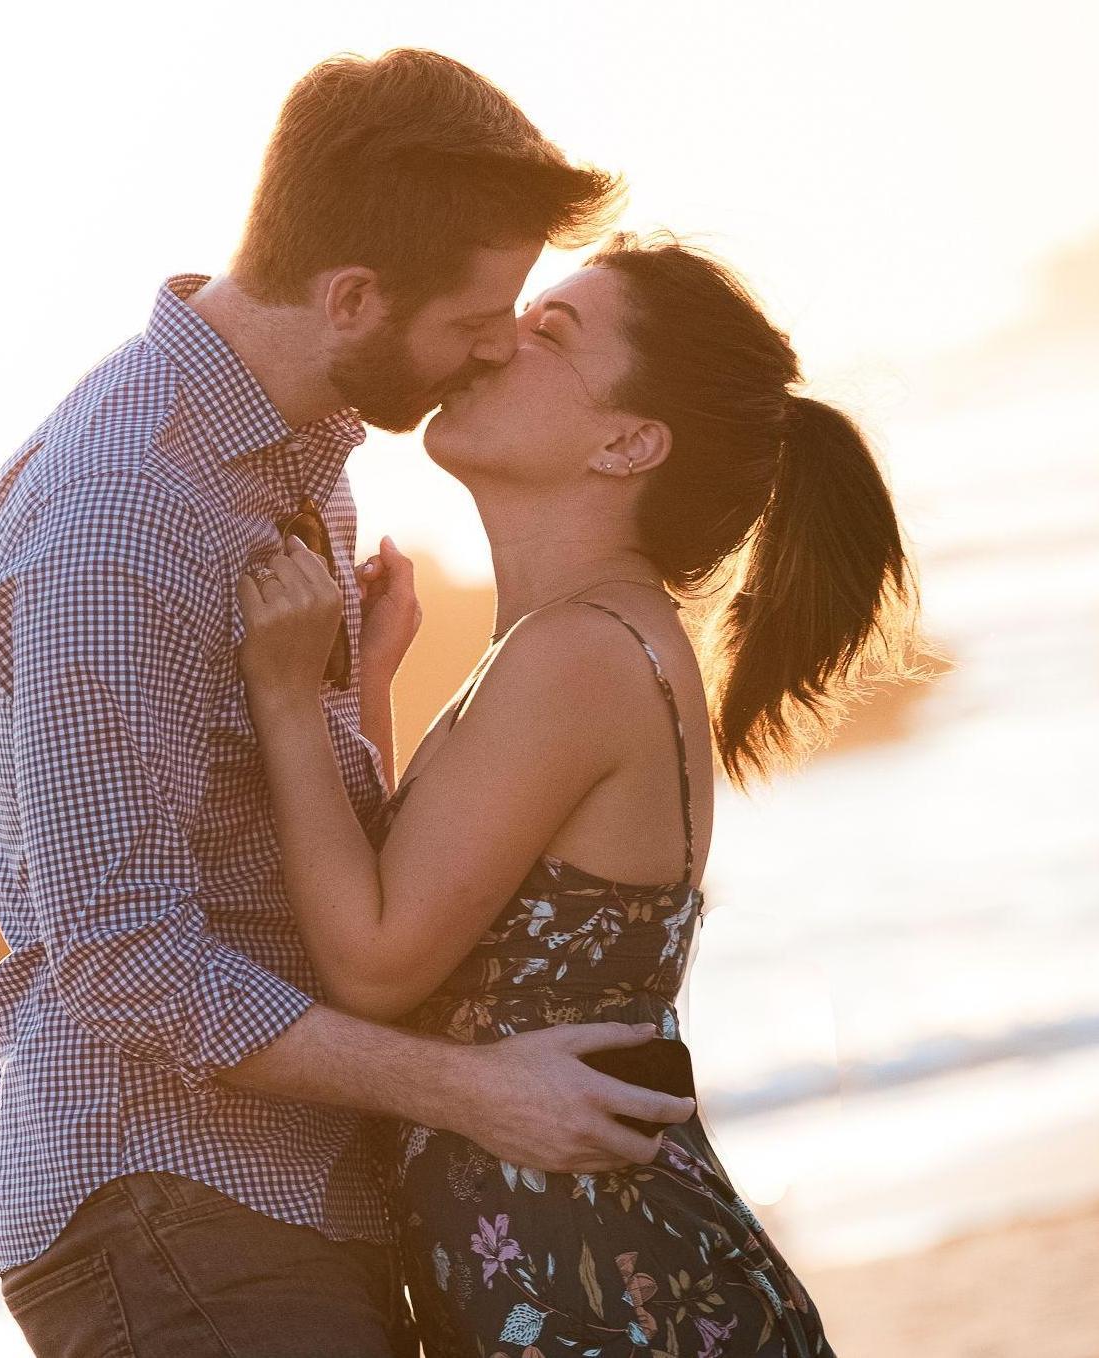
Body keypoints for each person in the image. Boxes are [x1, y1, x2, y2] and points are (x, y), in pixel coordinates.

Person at [0, 49, 696, 1358]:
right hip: (171, 1205)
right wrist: (477, 1093)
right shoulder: (118, 523)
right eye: (478, 314)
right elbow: (123, 960)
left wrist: (353, 697)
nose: (498, 342)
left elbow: (280, 860)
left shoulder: (294, 459)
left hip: (276, 1197)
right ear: (351, 295)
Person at [237, 232, 920, 1356]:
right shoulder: (573, 641)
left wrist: (286, 700)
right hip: (595, 1285)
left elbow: (372, 965)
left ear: (627, 442)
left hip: (609, 1300)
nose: (494, 340)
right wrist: (360, 691)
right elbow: (431, 914)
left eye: (549, 330)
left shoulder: (580, 654)